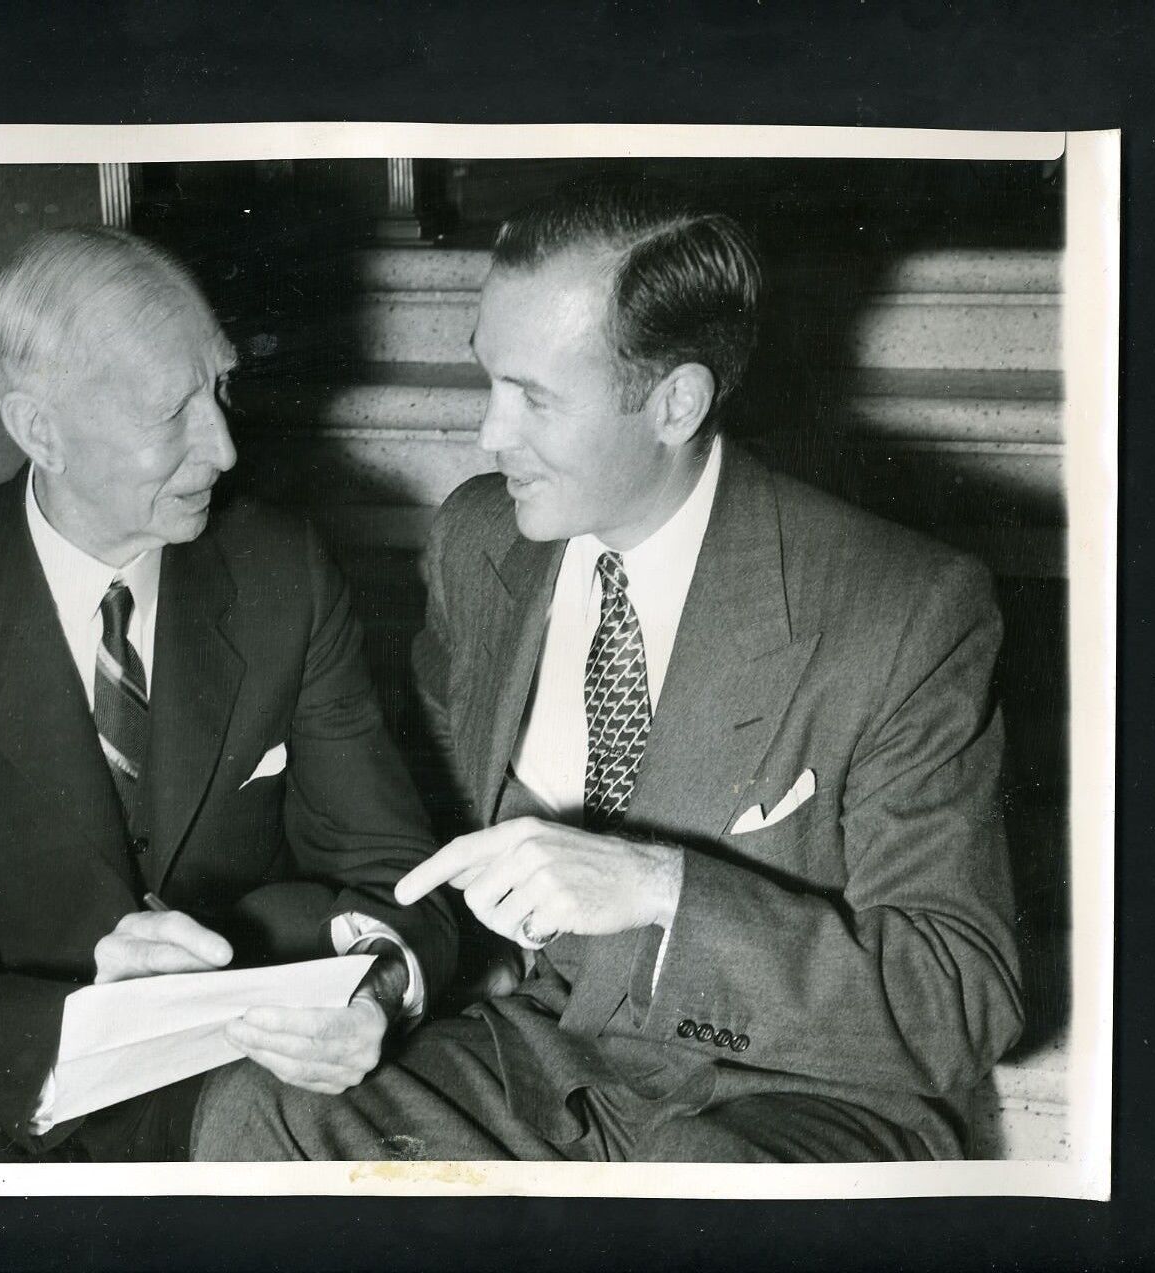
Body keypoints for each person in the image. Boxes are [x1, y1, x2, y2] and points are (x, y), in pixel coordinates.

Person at [192, 179, 1024, 1163]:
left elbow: (961, 997)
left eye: (534, 398)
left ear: (674, 402)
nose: (488, 434)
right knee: (264, 1108)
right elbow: (426, 857)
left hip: (796, 1095)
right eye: (488, 381)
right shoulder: (477, 541)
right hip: (546, 1053)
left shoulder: (900, 607)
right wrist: (384, 975)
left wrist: (659, 887)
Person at [0, 227, 456, 1162]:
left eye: (221, 387)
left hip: (239, 1076)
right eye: (171, 413)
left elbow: (397, 870)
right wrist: (89, 1006)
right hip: (6, 1104)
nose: (226, 447)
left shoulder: (284, 571)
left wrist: (380, 986)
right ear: (40, 429)